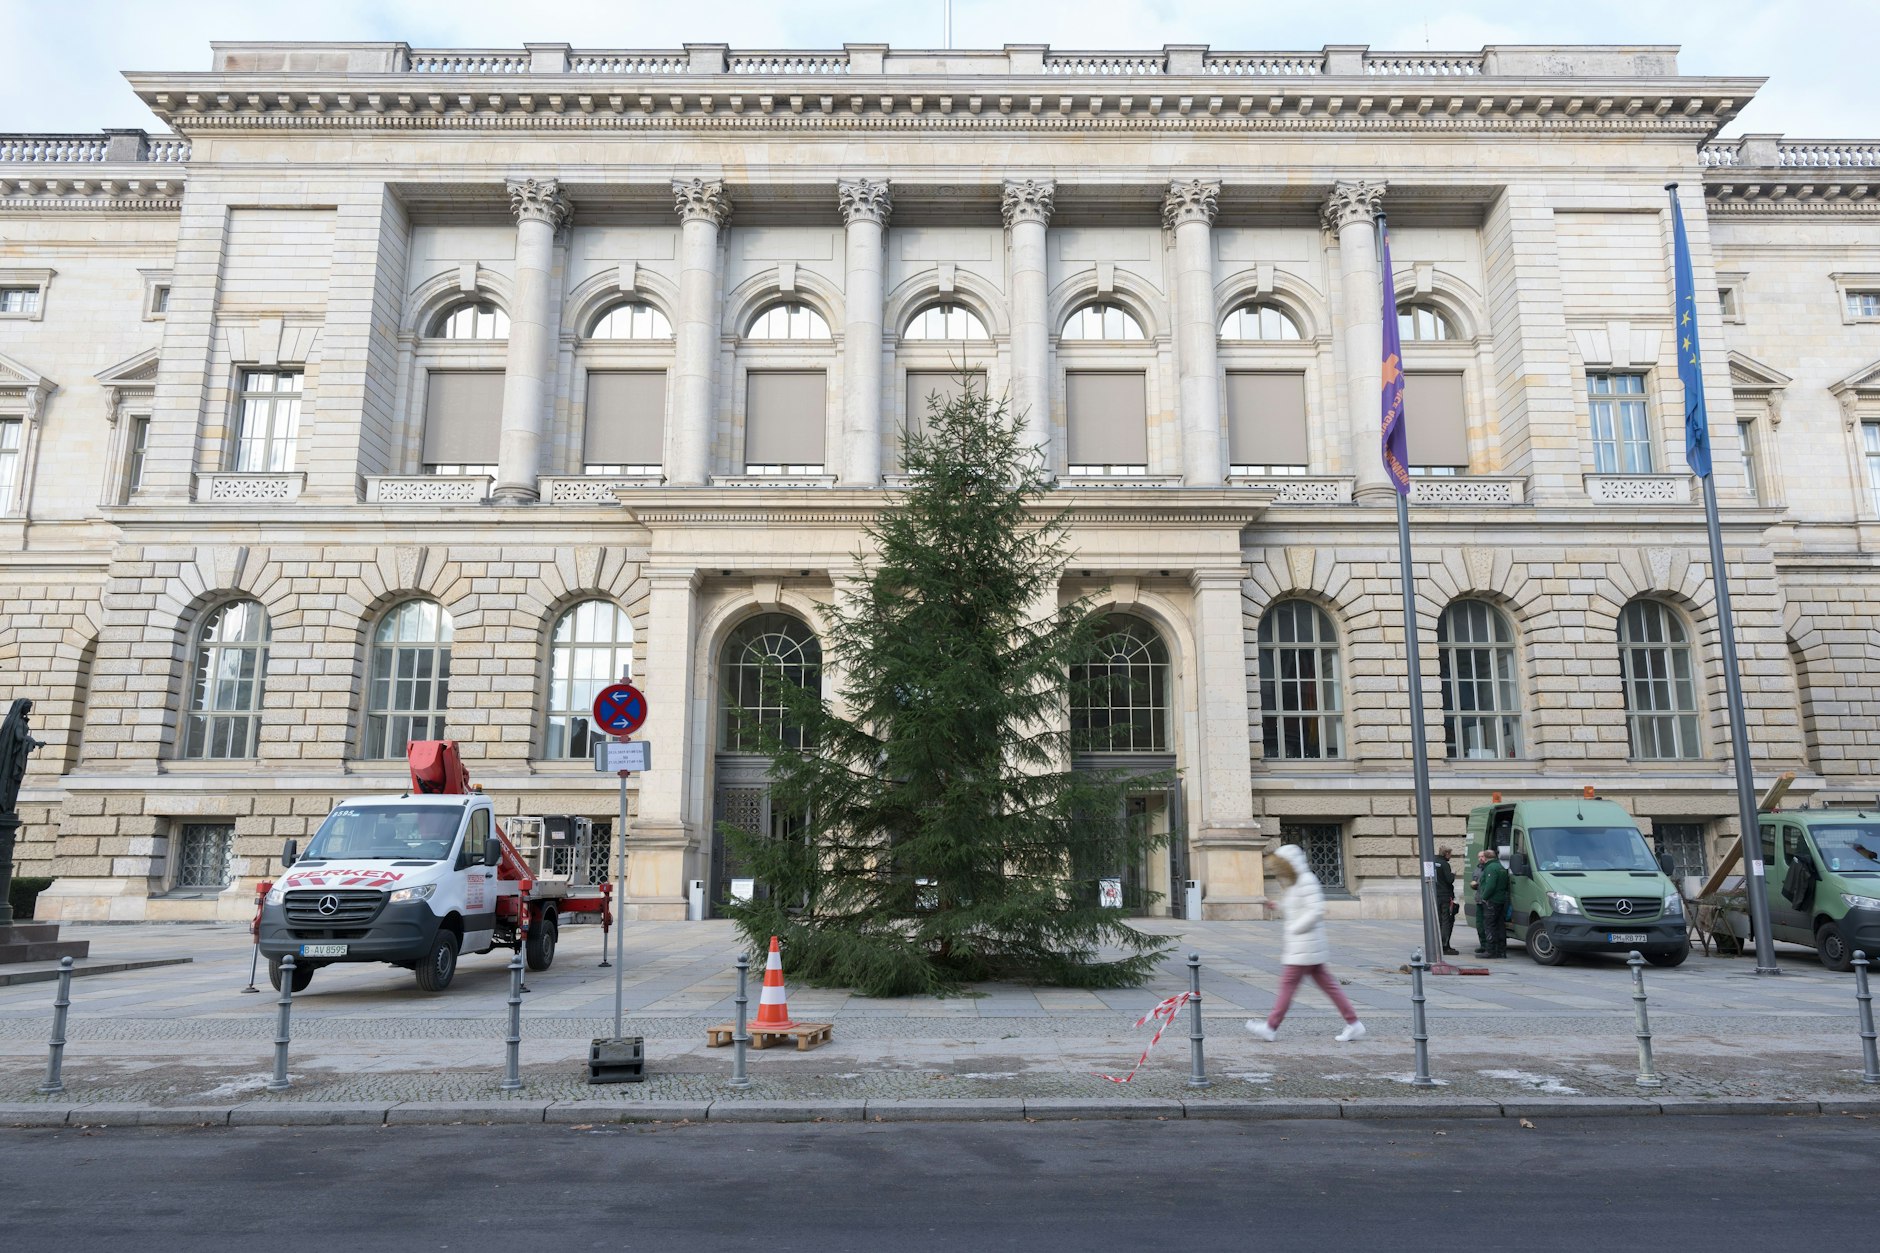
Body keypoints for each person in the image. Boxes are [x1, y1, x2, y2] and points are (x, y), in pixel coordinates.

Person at [1247, 844, 1366, 1043]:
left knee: (1288, 984)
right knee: (1328, 985)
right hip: (1306, 945)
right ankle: (1354, 1023)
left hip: (1305, 944)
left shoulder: (1306, 880)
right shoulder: (1297, 883)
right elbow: (1298, 906)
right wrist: (1278, 905)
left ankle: (1270, 1027)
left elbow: (1316, 910)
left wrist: (1296, 928)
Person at [1474, 846, 1510, 959]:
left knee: (1489, 926)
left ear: (1486, 857)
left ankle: (1490, 950)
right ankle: (1501, 951)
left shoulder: (1490, 868)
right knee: (1500, 925)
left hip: (1492, 901)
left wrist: (1484, 897)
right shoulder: (1501, 866)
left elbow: (1490, 885)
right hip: (1501, 900)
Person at [1434, 846, 1459, 956]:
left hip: (1436, 895)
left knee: (1439, 920)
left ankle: (1437, 944)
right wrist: (1453, 875)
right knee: (1446, 921)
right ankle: (1445, 945)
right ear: (1446, 853)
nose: (1451, 856)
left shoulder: (1433, 862)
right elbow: (1449, 880)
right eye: (1450, 854)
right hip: (1445, 896)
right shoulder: (1445, 864)